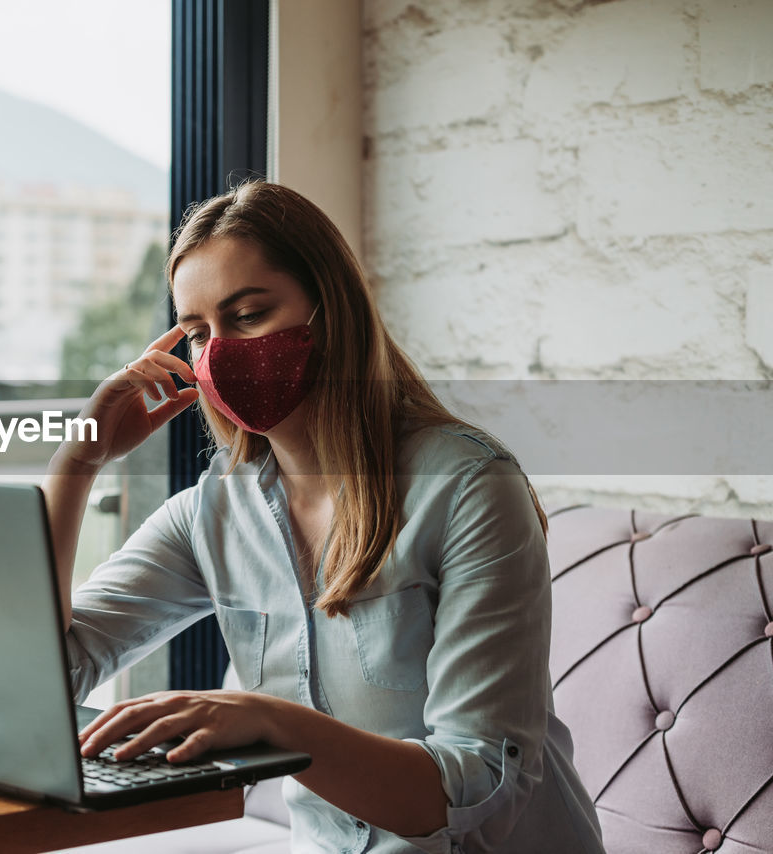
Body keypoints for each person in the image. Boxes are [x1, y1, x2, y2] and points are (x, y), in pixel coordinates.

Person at [41, 182, 604, 854]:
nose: (217, 352)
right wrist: (79, 461)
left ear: (331, 311)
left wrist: (269, 723)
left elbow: (476, 784)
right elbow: (43, 676)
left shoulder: (467, 487)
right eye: (195, 333)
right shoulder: (214, 511)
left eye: (247, 315)